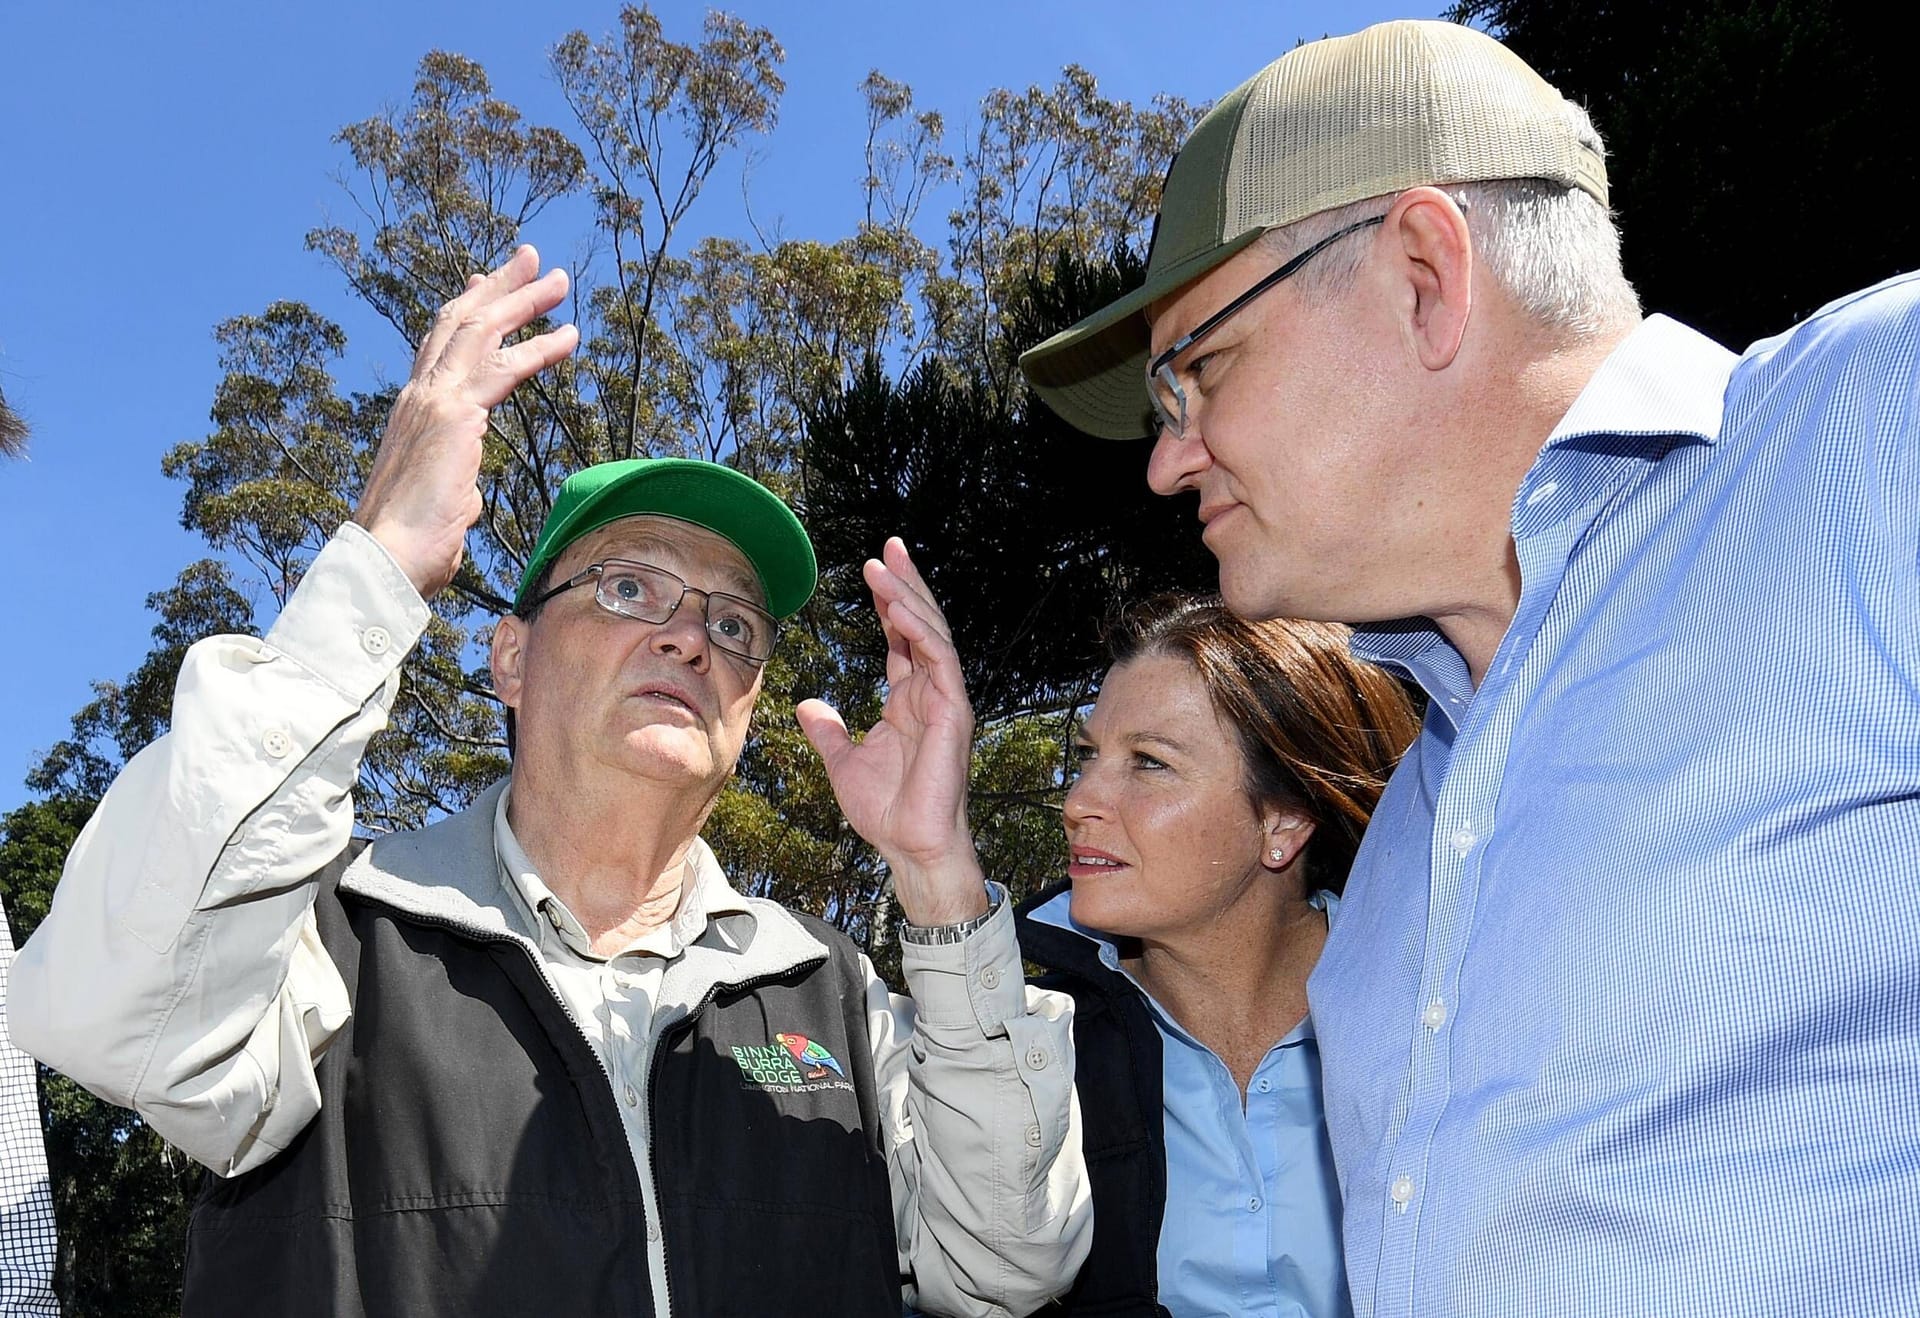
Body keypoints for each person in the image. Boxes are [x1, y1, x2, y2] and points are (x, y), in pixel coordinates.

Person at [1018, 17, 1920, 1315]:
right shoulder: (1389, 882)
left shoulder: (1873, 432)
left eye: (1199, 370)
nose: (1169, 459)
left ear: (1426, 273)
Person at [8, 247, 1089, 1318]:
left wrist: (940, 874)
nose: (689, 638)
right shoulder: (322, 935)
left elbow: (1008, 1259)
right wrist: (375, 563)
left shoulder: (833, 991)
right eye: (629, 586)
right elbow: (113, 1015)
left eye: (733, 622)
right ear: (512, 657)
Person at [1010, 597, 1416, 1318]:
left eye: (1148, 763)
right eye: (1089, 757)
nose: (1079, 801)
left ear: (1283, 822)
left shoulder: (1435, 1023)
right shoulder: (1021, 1048)